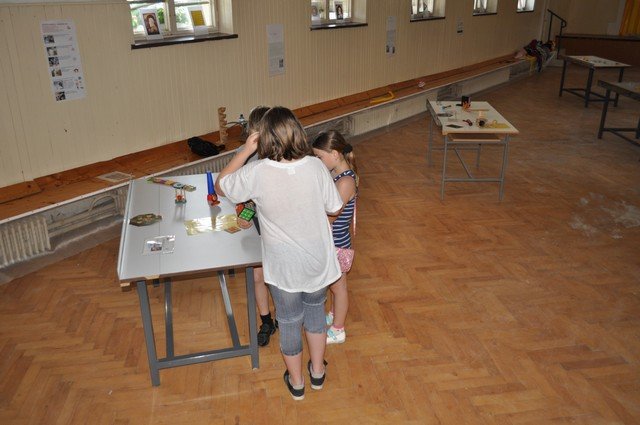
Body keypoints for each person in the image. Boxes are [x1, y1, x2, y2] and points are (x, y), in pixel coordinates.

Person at [216, 107, 343, 401]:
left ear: (262, 138)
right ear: (297, 131)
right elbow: (335, 207)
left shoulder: (257, 172)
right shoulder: (316, 166)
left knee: (288, 321)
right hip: (317, 263)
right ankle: (317, 373)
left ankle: (297, 383)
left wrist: (246, 151)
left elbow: (221, 186)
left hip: (284, 268)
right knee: (315, 313)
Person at [235, 106, 278, 347]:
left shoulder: (280, 156)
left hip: (277, 227)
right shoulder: (246, 157)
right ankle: (266, 321)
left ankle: (284, 316)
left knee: (276, 275)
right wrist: (245, 214)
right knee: (257, 275)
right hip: (257, 224)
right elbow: (244, 196)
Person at [312, 131, 358, 345]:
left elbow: (332, 214)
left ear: (335, 154)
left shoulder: (346, 181)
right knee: (334, 285)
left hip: (337, 244)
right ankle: (333, 314)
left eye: (319, 157)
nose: (318, 161)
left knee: (339, 288)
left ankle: (338, 329)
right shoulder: (336, 176)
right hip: (332, 242)